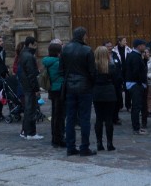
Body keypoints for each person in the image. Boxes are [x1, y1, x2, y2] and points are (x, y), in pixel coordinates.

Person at [60, 27, 96, 155]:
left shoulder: (65, 49)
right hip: (85, 88)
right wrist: (91, 83)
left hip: (70, 87)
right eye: (86, 35)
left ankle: (70, 147)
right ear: (82, 36)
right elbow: (92, 72)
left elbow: (61, 70)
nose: (87, 37)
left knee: (70, 118)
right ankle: (84, 147)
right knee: (84, 118)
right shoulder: (87, 50)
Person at [17, 36, 44, 140]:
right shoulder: (29, 56)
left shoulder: (23, 54)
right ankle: (30, 133)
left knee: (29, 109)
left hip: (26, 85)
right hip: (29, 87)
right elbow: (31, 75)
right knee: (30, 109)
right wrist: (36, 89)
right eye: (35, 45)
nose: (36, 47)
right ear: (30, 44)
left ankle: (25, 131)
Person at [92, 45, 118, 151]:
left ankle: (99, 143)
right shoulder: (111, 66)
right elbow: (116, 80)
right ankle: (109, 143)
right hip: (109, 93)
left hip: (97, 93)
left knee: (99, 118)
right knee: (108, 119)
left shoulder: (93, 67)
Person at [42, 42, 65, 148]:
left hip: (52, 89)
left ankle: (55, 137)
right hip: (59, 89)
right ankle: (58, 138)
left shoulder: (48, 61)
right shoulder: (58, 63)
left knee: (55, 114)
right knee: (59, 115)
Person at [125, 39, 149, 134]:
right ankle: (136, 128)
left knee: (137, 106)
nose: (145, 47)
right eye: (143, 45)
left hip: (134, 84)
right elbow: (136, 72)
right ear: (139, 46)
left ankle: (137, 127)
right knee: (136, 107)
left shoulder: (135, 55)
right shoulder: (135, 56)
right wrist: (140, 83)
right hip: (136, 85)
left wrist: (145, 60)